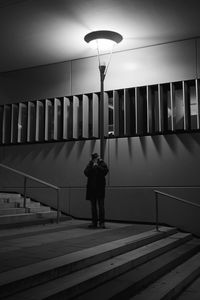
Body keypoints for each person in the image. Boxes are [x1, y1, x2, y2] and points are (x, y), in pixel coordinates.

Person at [84, 153, 109, 229]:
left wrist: (97, 166)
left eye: (96, 158)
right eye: (94, 159)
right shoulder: (90, 164)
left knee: (101, 206)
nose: (95, 160)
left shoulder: (102, 163)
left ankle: (102, 223)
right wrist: (92, 166)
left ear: (98, 158)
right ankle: (94, 223)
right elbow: (86, 172)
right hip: (92, 189)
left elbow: (105, 171)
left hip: (100, 189)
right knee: (93, 207)